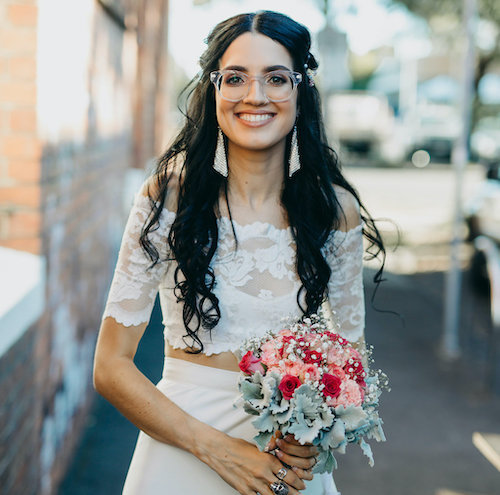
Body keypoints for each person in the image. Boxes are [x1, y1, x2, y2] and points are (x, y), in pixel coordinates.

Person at [93, 10, 385, 495]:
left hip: (286, 468)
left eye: (276, 78)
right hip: (180, 455)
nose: (256, 96)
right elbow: (110, 367)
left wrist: (315, 434)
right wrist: (217, 450)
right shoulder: (169, 196)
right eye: (236, 78)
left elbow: (350, 365)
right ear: (214, 89)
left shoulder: (335, 212)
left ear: (300, 90)